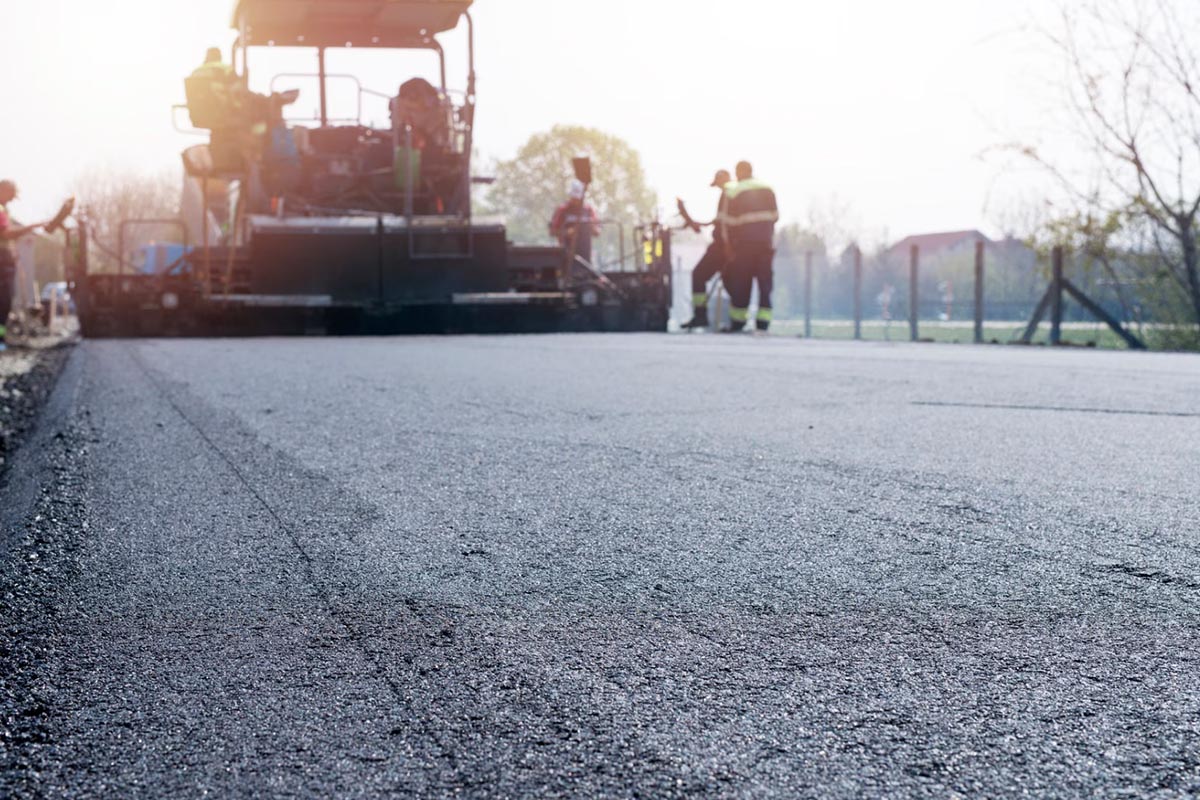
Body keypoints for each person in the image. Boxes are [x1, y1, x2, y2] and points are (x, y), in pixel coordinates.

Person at [720, 161, 779, 332]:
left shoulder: (733, 191)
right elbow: (775, 216)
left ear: (738, 172)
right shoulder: (768, 188)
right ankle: (763, 322)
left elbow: (727, 223)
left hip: (744, 245)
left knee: (741, 283)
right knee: (765, 282)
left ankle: (738, 321)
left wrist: (728, 246)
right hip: (765, 243)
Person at [680, 169, 733, 330]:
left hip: (722, 246)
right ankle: (734, 320)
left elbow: (724, 224)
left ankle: (701, 315)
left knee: (699, 275)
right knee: (731, 282)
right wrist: (697, 223)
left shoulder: (728, 194)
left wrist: (727, 247)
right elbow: (718, 221)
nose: (717, 187)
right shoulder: (729, 195)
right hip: (727, 246)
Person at [0, 180, 44, 350]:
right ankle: (0, 340)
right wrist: (31, 227)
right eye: (10, 195)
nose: (11, 200)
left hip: (5, 258)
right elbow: (6, 234)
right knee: (4, 300)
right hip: (2, 261)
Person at [550, 179, 601, 266]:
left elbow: (597, 232)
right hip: (566, 254)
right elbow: (553, 231)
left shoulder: (589, 210)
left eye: (578, 198)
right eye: (574, 198)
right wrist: (567, 232)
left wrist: (592, 228)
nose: (576, 201)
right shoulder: (563, 210)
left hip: (585, 256)